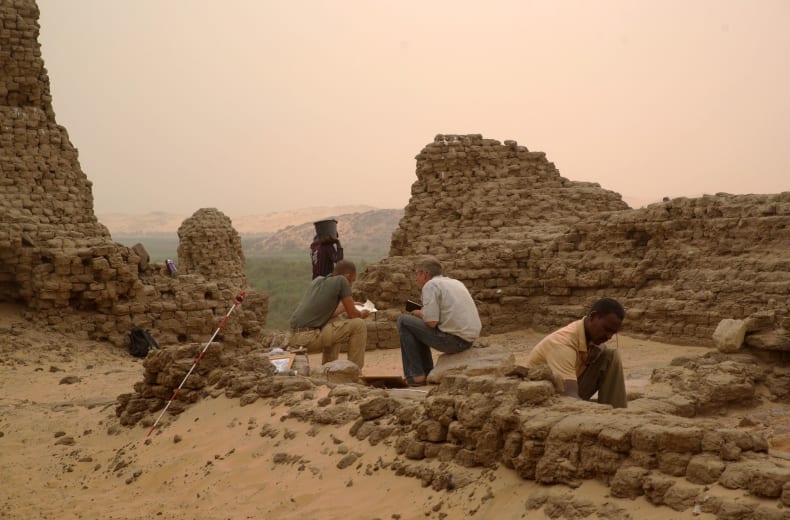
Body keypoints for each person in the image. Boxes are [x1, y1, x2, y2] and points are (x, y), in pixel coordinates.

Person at [525, 297, 627, 408]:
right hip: (541, 401)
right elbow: (568, 396)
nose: (609, 336)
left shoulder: (589, 336)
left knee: (611, 356)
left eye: (613, 332)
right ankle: (609, 416)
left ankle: (616, 411)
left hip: (565, 389)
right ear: (593, 317)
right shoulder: (562, 343)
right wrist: (598, 412)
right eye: (606, 329)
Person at [396, 256, 482, 387]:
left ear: (425, 274)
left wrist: (420, 313)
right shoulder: (455, 283)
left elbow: (431, 323)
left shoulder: (430, 286)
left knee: (403, 321)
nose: (416, 279)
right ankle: (426, 371)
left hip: (454, 341)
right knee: (417, 328)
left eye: (417, 274)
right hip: (468, 340)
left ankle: (416, 375)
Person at [288, 260, 370, 368]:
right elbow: (353, 315)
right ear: (347, 276)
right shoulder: (342, 280)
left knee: (335, 322)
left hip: (293, 336)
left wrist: (346, 307)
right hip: (308, 337)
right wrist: (362, 313)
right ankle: (355, 371)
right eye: (352, 280)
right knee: (359, 325)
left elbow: (325, 314)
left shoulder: (317, 280)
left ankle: (328, 369)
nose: (351, 284)